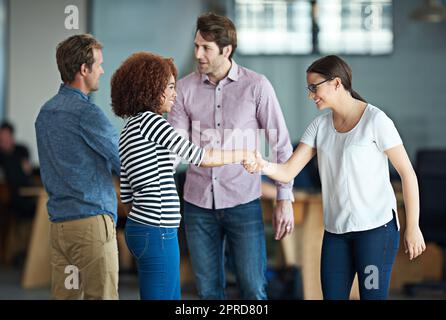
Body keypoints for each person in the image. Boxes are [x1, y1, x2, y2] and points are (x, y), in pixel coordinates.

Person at [244, 55, 426, 300]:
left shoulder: (376, 121)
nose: (311, 95)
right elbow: (288, 171)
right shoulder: (319, 127)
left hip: (375, 232)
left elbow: (407, 174)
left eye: (314, 87)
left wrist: (413, 227)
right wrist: (262, 165)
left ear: (336, 83)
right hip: (336, 234)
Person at [167, 12, 294, 300]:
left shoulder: (256, 86)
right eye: (196, 45)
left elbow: (281, 145)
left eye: (206, 48)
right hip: (197, 203)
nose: (197, 54)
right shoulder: (184, 88)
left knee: (253, 289)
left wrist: (284, 198)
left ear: (226, 50)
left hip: (243, 201)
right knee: (208, 291)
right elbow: (174, 146)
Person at [110, 51, 256, 300]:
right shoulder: (152, 123)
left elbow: (127, 192)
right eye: (169, 86)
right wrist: (243, 153)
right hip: (158, 229)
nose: (174, 93)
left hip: (139, 228)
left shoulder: (129, 128)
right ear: (150, 88)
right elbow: (201, 157)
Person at [35, 34, 120, 300]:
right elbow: (123, 160)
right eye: (99, 64)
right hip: (91, 225)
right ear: (84, 69)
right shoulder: (87, 113)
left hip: (61, 227)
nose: (103, 70)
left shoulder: (45, 113)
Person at [0, 121, 36, 218]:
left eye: (7, 136)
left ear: (12, 136)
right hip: (11, 194)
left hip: (27, 190)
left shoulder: (22, 149)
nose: (5, 140)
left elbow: (27, 171)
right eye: (2, 138)